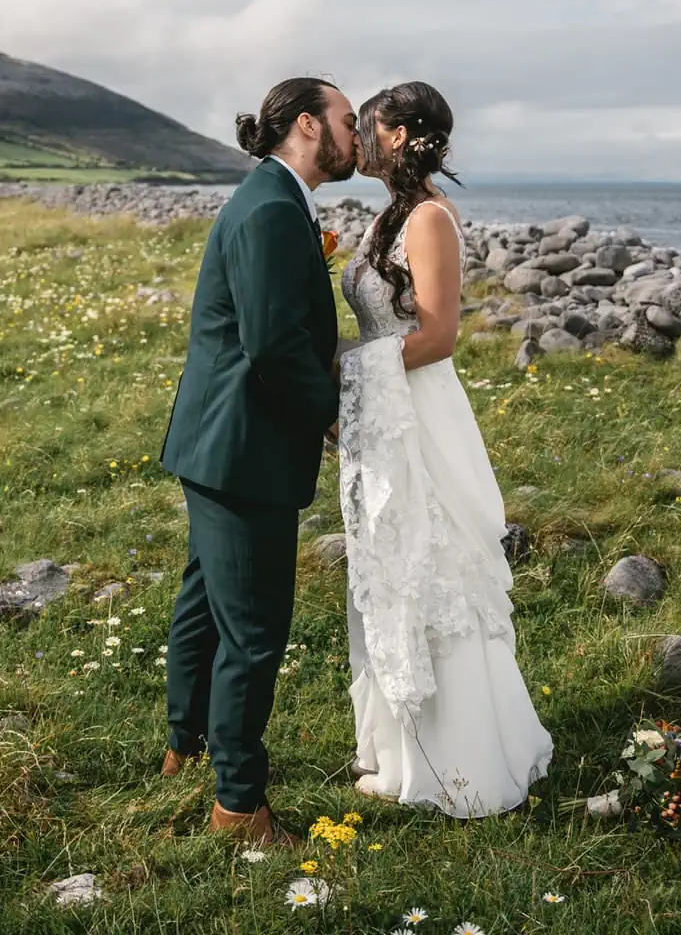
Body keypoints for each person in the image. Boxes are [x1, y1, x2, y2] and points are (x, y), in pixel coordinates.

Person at [336, 81, 553, 817]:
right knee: (391, 569)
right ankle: (401, 753)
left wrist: (346, 369)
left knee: (434, 568)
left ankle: (460, 761)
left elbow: (437, 336)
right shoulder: (389, 215)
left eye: (366, 125)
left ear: (395, 133)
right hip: (384, 407)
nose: (357, 138)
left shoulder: (428, 218)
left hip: (415, 412)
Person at [158, 76, 359, 847]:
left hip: (217, 441)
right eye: (347, 120)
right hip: (244, 448)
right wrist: (332, 413)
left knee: (207, 600)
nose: (356, 135)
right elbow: (272, 343)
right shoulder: (274, 210)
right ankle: (240, 807)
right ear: (307, 126)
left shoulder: (271, 200)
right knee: (254, 630)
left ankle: (186, 745)